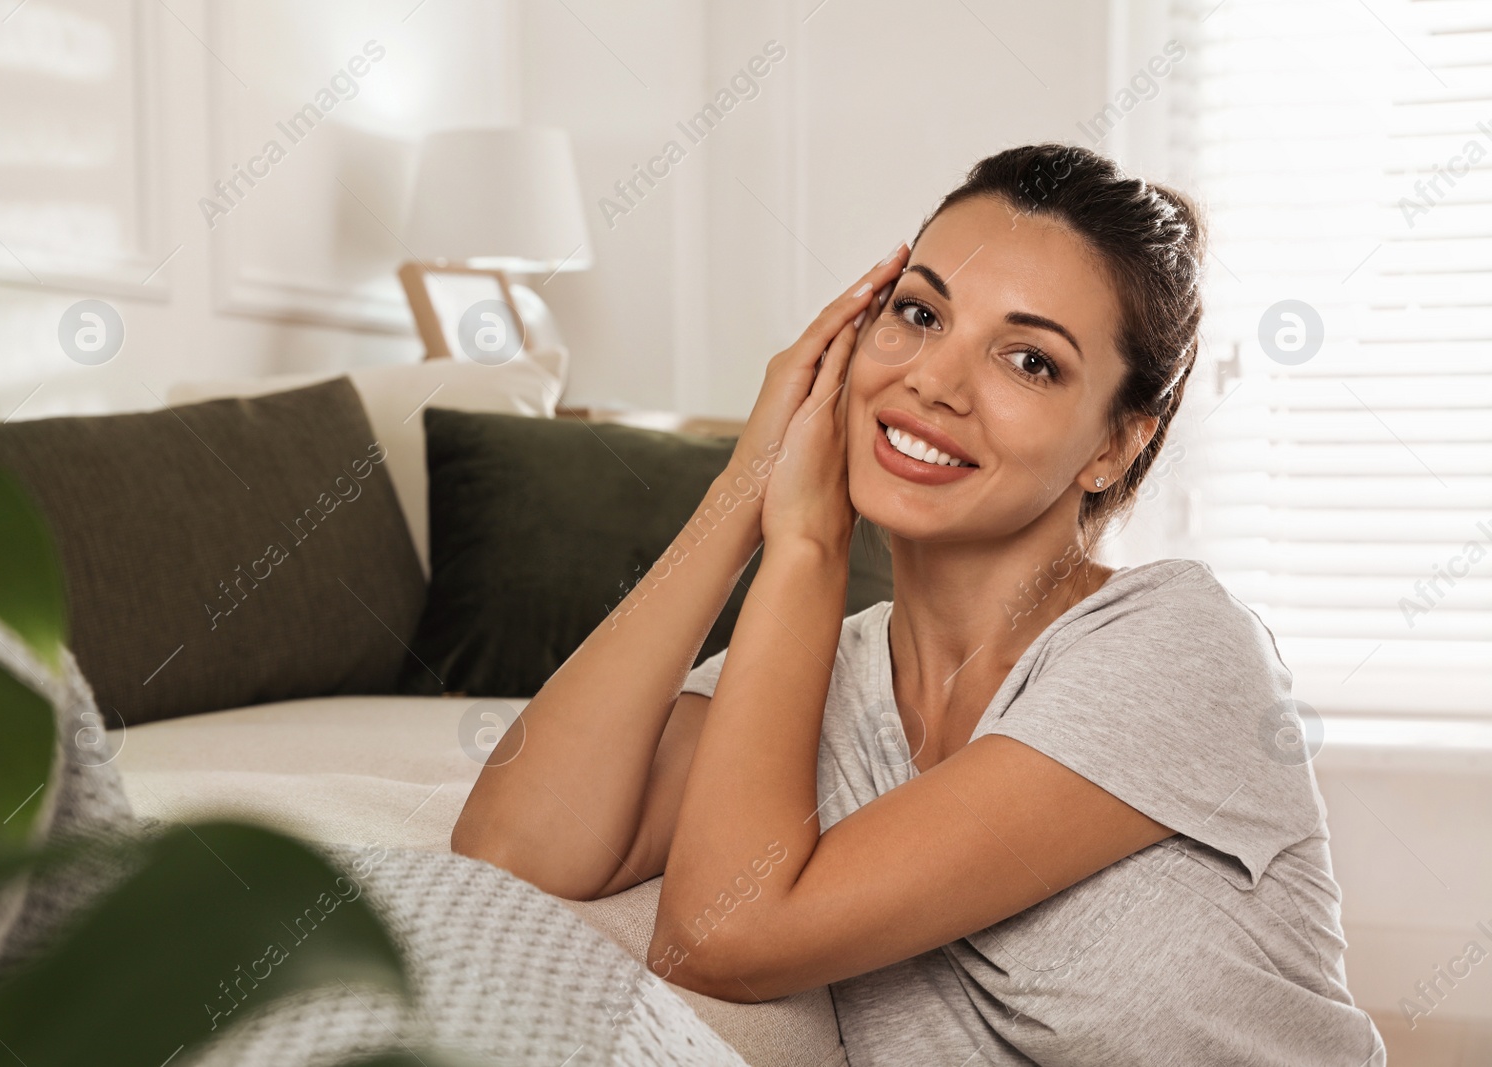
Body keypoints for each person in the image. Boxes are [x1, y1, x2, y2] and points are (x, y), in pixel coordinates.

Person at [452, 143, 1385, 1065]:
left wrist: (809, 546)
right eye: (919, 312)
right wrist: (744, 489)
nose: (934, 381)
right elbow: (511, 845)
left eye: (1028, 361)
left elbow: (720, 939)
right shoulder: (815, 680)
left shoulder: (1179, 648)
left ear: (1116, 447)